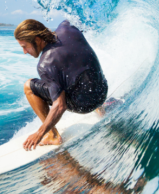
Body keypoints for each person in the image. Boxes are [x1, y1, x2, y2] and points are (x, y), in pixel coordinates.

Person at [15, 19, 108, 151]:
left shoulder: (45, 64)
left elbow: (60, 105)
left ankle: (52, 135)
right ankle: (101, 108)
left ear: (37, 40)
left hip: (85, 105)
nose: (24, 51)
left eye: (25, 46)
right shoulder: (67, 27)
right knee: (73, 69)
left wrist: (39, 133)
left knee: (28, 86)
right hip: (102, 92)